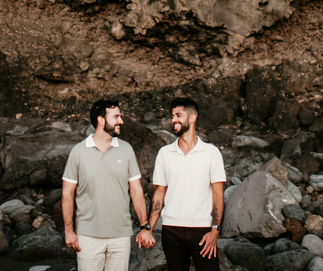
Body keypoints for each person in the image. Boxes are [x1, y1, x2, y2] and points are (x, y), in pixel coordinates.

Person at [62, 99, 156, 271]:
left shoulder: (126, 150)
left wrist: (144, 227)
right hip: (88, 235)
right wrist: (69, 230)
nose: (121, 121)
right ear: (101, 120)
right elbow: (67, 193)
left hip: (120, 236)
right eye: (116, 117)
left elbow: (136, 191)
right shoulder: (78, 152)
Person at [144, 97, 227, 271]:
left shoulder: (211, 153)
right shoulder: (165, 153)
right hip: (171, 230)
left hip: (203, 230)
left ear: (192, 118)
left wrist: (215, 230)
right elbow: (159, 193)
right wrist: (148, 228)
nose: (173, 119)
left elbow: (218, 195)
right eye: (172, 115)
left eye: (178, 115)